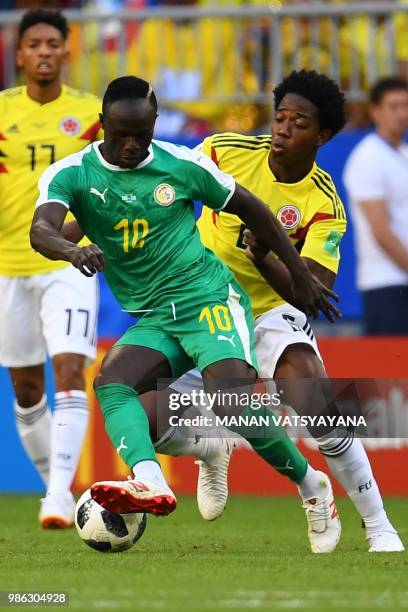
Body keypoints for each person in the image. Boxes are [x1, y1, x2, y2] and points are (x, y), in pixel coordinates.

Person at [30, 76, 339, 534]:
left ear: (155, 123)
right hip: (156, 314)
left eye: (142, 134)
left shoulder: (183, 164)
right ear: (101, 126)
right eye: (120, 135)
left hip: (207, 296)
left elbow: (253, 209)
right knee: (113, 383)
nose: (132, 146)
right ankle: (151, 481)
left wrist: (297, 272)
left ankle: (313, 486)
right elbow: (42, 229)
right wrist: (72, 250)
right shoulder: (71, 174)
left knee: (229, 399)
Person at [154, 70, 403, 552]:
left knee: (316, 398)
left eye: (299, 122)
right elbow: (164, 188)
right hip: (201, 302)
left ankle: (380, 526)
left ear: (323, 135)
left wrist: (262, 255)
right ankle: (210, 447)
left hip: (269, 310)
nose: (282, 129)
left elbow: (310, 293)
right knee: (142, 411)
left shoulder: (324, 202)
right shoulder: (222, 152)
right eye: (279, 117)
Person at [0, 9, 102, 528]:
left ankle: (59, 496)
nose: (43, 51)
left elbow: (102, 188)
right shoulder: (0, 114)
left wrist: (68, 244)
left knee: (69, 370)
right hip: (6, 267)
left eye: (52, 43)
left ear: (67, 50)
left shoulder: (90, 115)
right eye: (34, 44)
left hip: (69, 262)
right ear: (19, 54)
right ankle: (56, 488)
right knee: (25, 390)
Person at [344, 76, 408, 336]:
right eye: (394, 106)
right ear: (376, 112)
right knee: (390, 374)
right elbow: (381, 232)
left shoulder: (402, 153)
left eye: (405, 105)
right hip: (385, 283)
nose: (402, 114)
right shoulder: (367, 157)